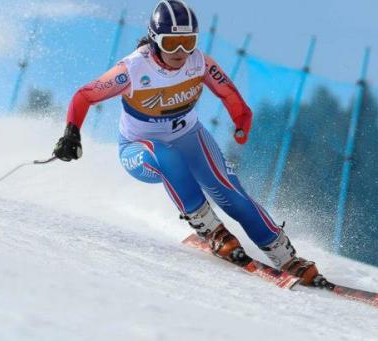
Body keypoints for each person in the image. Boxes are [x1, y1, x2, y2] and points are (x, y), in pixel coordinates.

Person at [53, 0, 321, 285]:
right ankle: (210, 228)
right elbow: (85, 96)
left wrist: (242, 120)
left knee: (232, 194)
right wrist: (71, 133)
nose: (180, 52)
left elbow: (228, 93)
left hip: (190, 138)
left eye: (188, 42)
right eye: (172, 43)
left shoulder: (200, 62)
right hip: (140, 149)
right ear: (155, 41)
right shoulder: (132, 69)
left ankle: (285, 254)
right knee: (168, 157)